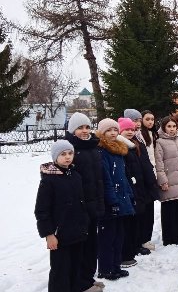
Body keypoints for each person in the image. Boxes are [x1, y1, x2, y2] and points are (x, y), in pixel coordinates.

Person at [35, 140, 91, 292]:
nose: (67, 157)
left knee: (75, 268)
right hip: (60, 235)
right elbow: (41, 210)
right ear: (55, 157)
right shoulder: (49, 180)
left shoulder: (75, 175)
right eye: (63, 154)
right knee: (60, 272)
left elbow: (80, 203)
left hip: (77, 232)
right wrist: (49, 234)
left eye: (70, 153)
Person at [65, 112, 105, 292]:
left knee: (92, 244)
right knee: (81, 246)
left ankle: (88, 278)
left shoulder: (94, 147)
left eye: (87, 127)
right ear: (72, 130)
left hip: (95, 202)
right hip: (79, 207)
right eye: (80, 128)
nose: (84, 131)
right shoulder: (70, 149)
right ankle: (80, 283)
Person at [96, 118, 135, 281]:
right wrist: (112, 202)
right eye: (108, 131)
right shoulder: (102, 152)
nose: (112, 133)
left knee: (119, 235)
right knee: (108, 237)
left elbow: (123, 177)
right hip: (110, 202)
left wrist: (130, 196)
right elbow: (106, 180)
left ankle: (116, 265)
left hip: (122, 198)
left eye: (114, 130)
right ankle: (105, 269)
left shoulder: (118, 150)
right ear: (102, 133)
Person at [118, 118, 157, 268]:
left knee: (142, 216)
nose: (130, 131)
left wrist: (151, 181)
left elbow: (146, 164)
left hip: (142, 185)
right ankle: (133, 245)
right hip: (132, 187)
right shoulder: (121, 146)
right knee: (134, 219)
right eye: (126, 129)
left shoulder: (136, 144)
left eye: (132, 129)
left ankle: (138, 243)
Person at [155, 116, 178, 246]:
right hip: (169, 182)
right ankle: (169, 238)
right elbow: (158, 164)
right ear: (163, 128)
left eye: (174, 126)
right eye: (169, 127)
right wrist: (163, 181)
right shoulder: (159, 142)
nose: (172, 129)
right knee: (169, 211)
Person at [138, 110, 158, 252]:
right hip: (145, 175)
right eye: (147, 119)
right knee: (144, 211)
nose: (150, 122)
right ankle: (142, 239)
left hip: (153, 173)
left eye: (152, 119)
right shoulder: (140, 136)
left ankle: (146, 238)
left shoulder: (153, 134)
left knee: (150, 210)